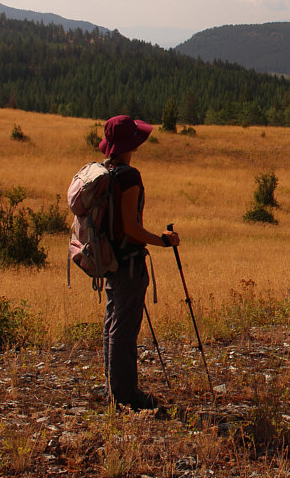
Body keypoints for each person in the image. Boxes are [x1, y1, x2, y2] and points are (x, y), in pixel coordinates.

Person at [98, 114, 179, 411]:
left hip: (108, 258)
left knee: (112, 321)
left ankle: (113, 386)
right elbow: (131, 227)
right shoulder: (129, 176)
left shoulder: (105, 171)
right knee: (124, 327)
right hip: (128, 261)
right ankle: (125, 393)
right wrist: (163, 240)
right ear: (131, 143)